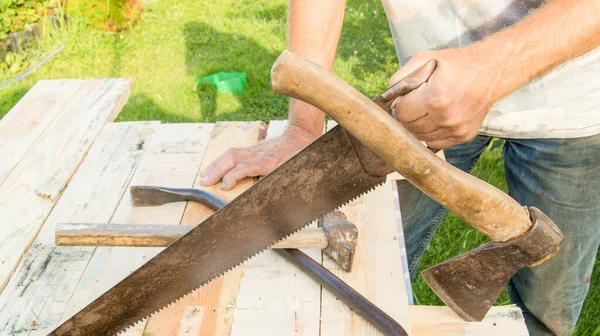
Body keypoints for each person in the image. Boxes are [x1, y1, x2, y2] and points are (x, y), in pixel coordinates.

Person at [199, 1, 600, 335]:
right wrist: (303, 129)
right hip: (428, 99)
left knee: (546, 310)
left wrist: (488, 70)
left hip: (572, 105)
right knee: (366, 277)